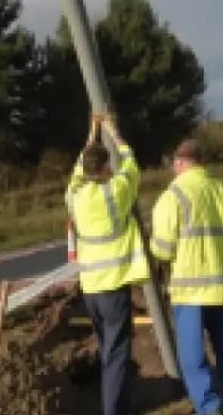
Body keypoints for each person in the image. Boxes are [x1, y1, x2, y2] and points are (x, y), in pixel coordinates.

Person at [150, 139, 223, 415]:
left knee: (193, 356)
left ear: (179, 163)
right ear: (202, 162)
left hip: (191, 290)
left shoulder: (174, 196)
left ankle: (209, 407)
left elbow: (162, 249)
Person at [65, 113, 149, 415]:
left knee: (108, 352)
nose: (112, 168)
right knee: (116, 354)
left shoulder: (74, 196)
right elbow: (130, 161)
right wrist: (113, 129)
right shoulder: (117, 191)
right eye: (107, 165)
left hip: (91, 289)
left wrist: (92, 132)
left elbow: (78, 169)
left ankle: (120, 405)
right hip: (114, 287)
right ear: (103, 169)